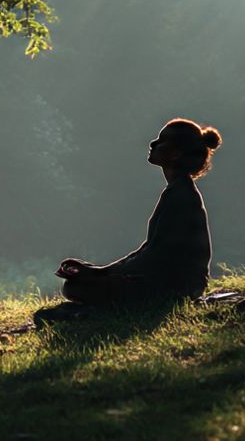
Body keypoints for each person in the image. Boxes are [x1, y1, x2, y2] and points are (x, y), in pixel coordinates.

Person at [35, 118, 221, 324]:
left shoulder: (181, 195)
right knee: (77, 286)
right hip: (171, 280)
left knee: (77, 287)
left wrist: (102, 273)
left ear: (176, 154)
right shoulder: (177, 191)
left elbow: (154, 255)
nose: (153, 144)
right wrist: (101, 271)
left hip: (177, 287)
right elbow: (150, 249)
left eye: (161, 141)